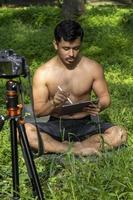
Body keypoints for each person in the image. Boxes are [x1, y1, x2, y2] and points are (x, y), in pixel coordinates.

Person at [25, 20, 127, 156]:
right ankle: (73, 149)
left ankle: (78, 146)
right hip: (56, 124)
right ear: (56, 44)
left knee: (119, 134)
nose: (71, 54)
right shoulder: (43, 73)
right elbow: (38, 112)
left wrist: (100, 106)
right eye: (66, 48)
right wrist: (53, 103)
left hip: (85, 124)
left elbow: (105, 98)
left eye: (76, 48)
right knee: (25, 131)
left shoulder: (92, 67)